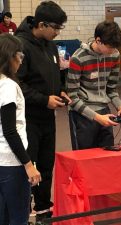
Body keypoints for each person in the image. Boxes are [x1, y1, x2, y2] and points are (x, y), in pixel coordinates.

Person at [15, 1, 68, 222]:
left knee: (47, 165)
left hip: (48, 118)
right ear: (42, 24)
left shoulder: (51, 45)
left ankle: (44, 209)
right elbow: (16, 84)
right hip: (27, 120)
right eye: (55, 28)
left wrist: (61, 91)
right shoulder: (20, 45)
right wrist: (43, 99)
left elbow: (54, 76)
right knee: (29, 168)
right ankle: (24, 210)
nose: (57, 32)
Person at [67, 20, 121, 150]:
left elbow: (111, 88)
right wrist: (96, 117)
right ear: (98, 40)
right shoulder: (78, 58)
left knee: (107, 157)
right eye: (110, 47)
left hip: (104, 111)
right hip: (82, 114)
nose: (113, 51)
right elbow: (72, 97)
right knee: (84, 158)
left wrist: (120, 107)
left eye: (116, 48)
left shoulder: (114, 55)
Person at [0, 34, 41, 225]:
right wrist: (28, 164)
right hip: (11, 162)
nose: (21, 61)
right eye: (20, 56)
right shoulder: (8, 85)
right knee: (17, 218)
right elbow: (10, 131)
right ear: (10, 56)